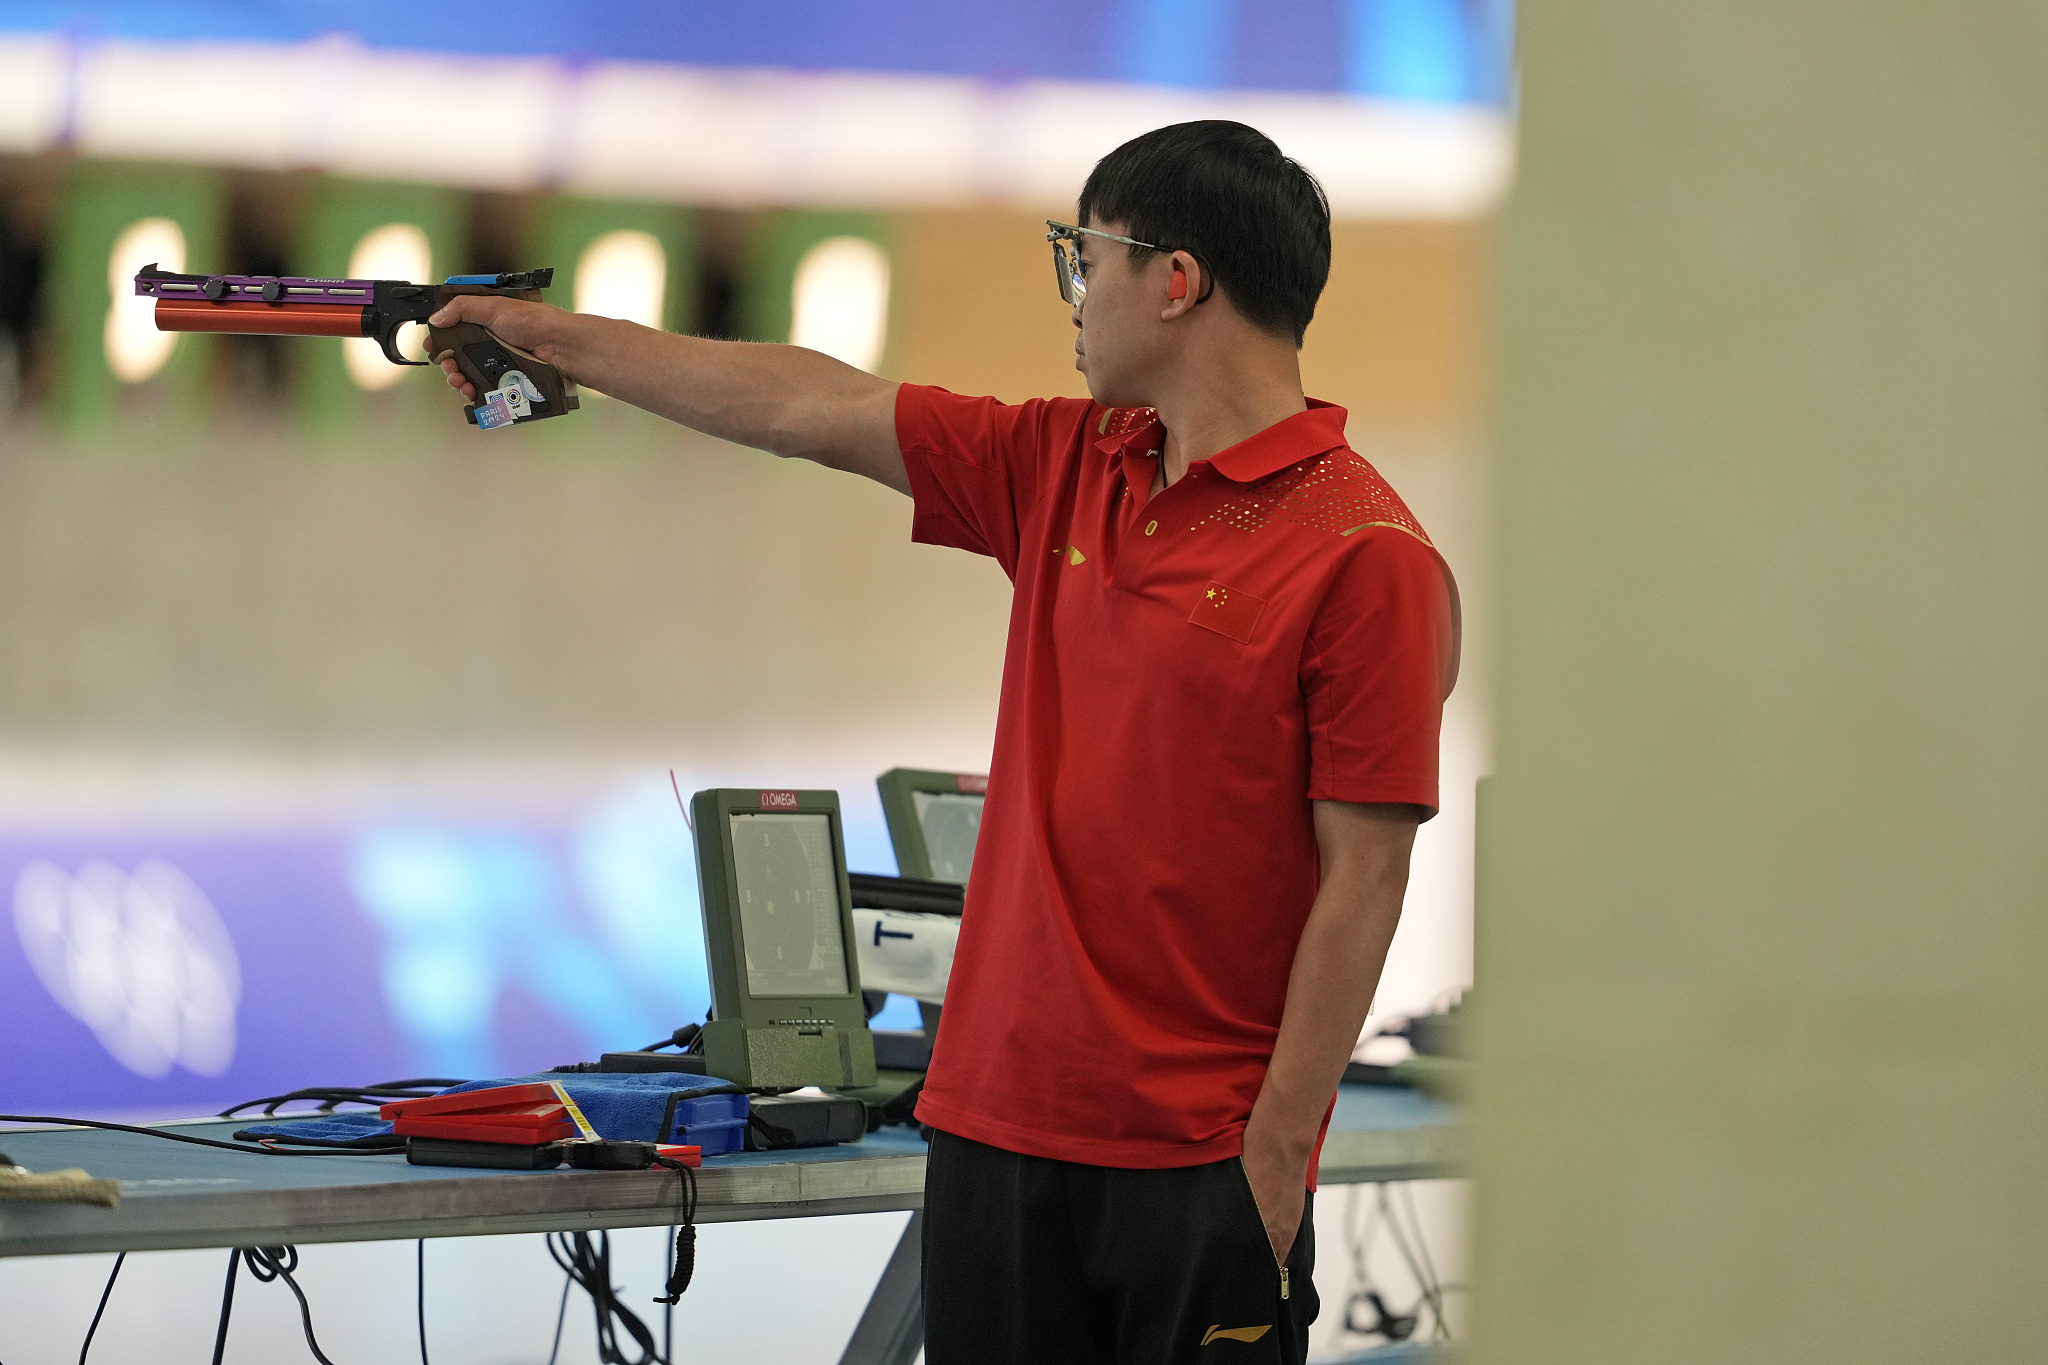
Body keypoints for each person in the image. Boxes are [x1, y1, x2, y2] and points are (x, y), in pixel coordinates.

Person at [431, 120, 1458, 1364]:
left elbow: (1366, 877)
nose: (1073, 301)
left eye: (1086, 262)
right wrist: (550, 339)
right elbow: (807, 404)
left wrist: (1276, 1153)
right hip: (994, 1130)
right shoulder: (1066, 462)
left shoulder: (1368, 559)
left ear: (1176, 281)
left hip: (1197, 1162)